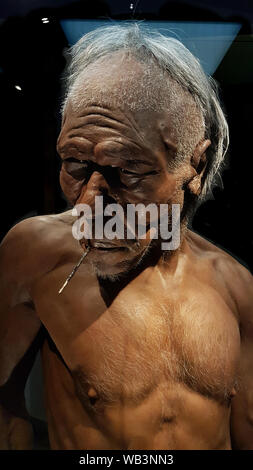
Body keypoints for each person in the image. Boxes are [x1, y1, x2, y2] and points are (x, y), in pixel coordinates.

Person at [0, 23, 252, 450]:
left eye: (129, 172)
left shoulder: (237, 290)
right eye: (75, 164)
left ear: (197, 167)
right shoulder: (35, 254)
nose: (89, 206)